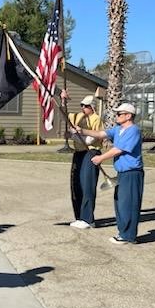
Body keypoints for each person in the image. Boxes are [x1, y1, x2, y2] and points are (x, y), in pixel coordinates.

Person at [74, 102, 144, 245]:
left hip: (132, 172)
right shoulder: (118, 129)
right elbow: (100, 134)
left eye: (119, 114)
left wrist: (101, 158)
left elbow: (119, 149)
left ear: (129, 116)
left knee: (128, 204)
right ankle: (123, 232)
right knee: (120, 203)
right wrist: (82, 131)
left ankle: (128, 235)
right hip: (122, 172)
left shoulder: (133, 130)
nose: (116, 116)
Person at [61, 91, 103, 229]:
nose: (82, 108)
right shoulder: (78, 116)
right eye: (82, 105)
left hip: (91, 151)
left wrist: (77, 134)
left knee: (87, 185)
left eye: (85, 106)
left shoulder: (96, 119)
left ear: (92, 107)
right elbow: (63, 114)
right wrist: (63, 101)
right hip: (78, 152)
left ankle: (88, 218)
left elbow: (94, 137)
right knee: (76, 184)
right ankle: (79, 216)